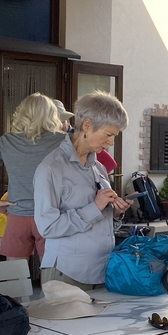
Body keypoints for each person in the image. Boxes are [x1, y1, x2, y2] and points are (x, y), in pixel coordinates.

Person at [33, 91, 131, 288]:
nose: (111, 142)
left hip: (103, 270)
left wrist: (116, 214)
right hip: (68, 272)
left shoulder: (99, 167)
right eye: (108, 135)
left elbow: (100, 223)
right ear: (87, 125)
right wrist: (94, 208)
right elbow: (48, 227)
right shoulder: (51, 168)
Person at [0, 94, 66, 259]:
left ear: (21, 113)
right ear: (51, 115)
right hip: (51, 216)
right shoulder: (64, 141)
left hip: (17, 215)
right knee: (53, 278)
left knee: (15, 276)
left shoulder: (7, 141)